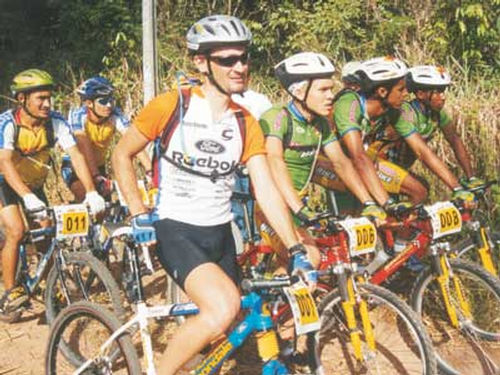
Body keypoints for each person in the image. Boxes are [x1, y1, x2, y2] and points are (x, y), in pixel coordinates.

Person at [112, 15, 314, 374]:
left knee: (230, 323)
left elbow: (265, 189)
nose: (240, 67)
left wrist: (296, 248)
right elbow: (121, 154)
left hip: (222, 234)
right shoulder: (170, 106)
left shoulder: (244, 121)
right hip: (177, 228)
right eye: (227, 60)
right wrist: (136, 210)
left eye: (244, 58)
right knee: (221, 307)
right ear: (201, 62)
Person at [257, 52, 386, 267]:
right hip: (269, 209)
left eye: (331, 89)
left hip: (299, 209)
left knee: (335, 252)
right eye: (323, 89)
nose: (330, 96)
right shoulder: (278, 117)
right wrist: (298, 208)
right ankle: (270, 301)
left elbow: (341, 163)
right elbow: (275, 162)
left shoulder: (321, 124)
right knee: (309, 259)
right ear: (299, 91)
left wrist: (369, 203)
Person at [0, 69, 106, 321]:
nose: (47, 104)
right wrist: (25, 196)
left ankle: (50, 289)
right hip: (6, 181)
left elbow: (76, 155)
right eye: (40, 99)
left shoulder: (56, 122)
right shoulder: (7, 123)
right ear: (22, 99)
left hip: (34, 184)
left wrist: (90, 191)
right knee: (16, 230)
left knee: (47, 232)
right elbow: (4, 163)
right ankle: (10, 292)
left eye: (49, 98)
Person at [366, 65, 480, 203]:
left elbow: (455, 140)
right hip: (374, 163)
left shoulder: (436, 115)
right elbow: (423, 153)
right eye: (437, 92)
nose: (443, 97)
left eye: (443, 91)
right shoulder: (407, 112)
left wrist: (471, 177)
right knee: (419, 191)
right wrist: (456, 188)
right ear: (420, 94)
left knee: (423, 187)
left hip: (395, 168)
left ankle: (402, 223)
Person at [61, 76, 152, 201]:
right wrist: (96, 176)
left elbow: (134, 140)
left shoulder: (115, 114)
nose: (109, 105)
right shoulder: (78, 115)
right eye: (103, 101)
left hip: (99, 165)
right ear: (89, 103)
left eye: (111, 100)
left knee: (104, 208)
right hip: (75, 165)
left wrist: (150, 169)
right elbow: (84, 145)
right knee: (85, 195)